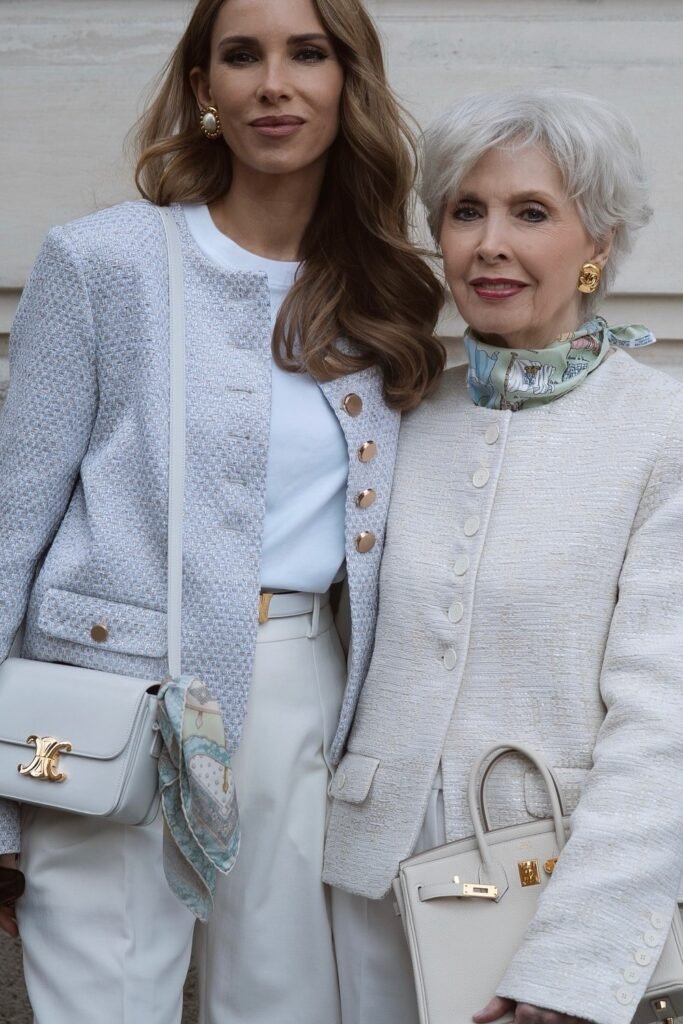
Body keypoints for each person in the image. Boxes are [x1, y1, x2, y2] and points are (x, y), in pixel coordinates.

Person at [0, 1, 444, 1021]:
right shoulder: (102, 261)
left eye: (307, 54)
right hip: (110, 692)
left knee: (281, 1006)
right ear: (204, 89)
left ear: (347, 83)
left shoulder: (380, 295)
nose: (272, 84)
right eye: (240, 56)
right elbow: (12, 532)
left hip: (300, 695)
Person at [324, 88, 683, 1024]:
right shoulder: (395, 411)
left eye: (532, 213)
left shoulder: (661, 430)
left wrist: (574, 962)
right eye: (464, 211)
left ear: (596, 242)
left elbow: (663, 722)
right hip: (364, 882)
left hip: (548, 878)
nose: (489, 243)